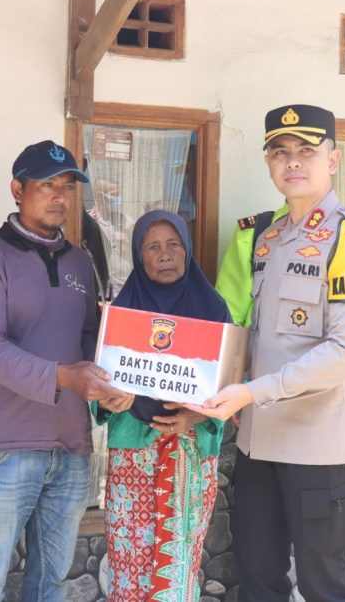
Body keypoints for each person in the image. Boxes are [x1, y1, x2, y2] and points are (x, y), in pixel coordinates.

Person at [190, 105, 345, 602]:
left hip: (319, 446)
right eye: (281, 152)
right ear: (269, 163)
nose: (293, 162)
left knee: (326, 585)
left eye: (306, 151)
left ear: (334, 160)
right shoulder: (264, 237)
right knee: (257, 577)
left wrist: (250, 392)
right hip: (258, 441)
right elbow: (237, 328)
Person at [0, 140, 133, 602]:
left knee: (50, 584)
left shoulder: (80, 260)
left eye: (67, 187)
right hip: (6, 447)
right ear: (17, 189)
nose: (60, 196)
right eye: (47, 185)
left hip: (72, 447)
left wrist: (112, 385)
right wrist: (65, 377)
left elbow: (93, 340)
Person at [96, 209, 230, 601]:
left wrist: (196, 415)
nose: (165, 254)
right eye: (153, 247)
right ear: (140, 257)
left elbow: (228, 390)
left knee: (180, 561)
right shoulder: (122, 313)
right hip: (132, 456)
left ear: (187, 251)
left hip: (191, 456)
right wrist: (110, 400)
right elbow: (100, 391)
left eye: (174, 244)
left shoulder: (214, 310)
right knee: (129, 563)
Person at [215, 202, 345, 436]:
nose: (293, 164)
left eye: (306, 161)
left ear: (332, 163)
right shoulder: (254, 233)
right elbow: (229, 318)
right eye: (280, 161)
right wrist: (228, 384)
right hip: (261, 407)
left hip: (325, 412)